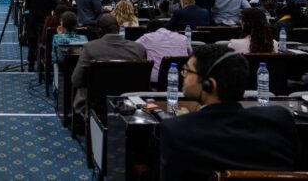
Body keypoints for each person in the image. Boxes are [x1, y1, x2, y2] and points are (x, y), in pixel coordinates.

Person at [160, 45, 301, 181]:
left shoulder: (176, 130)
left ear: (209, 84)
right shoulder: (279, 119)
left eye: (187, 70)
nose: (183, 75)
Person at [71, 14, 146, 114]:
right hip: (131, 102)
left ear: (99, 31)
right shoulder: (139, 49)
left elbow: (76, 80)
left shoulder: (89, 48)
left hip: (97, 104)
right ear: (119, 29)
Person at [24, 0, 57, 72]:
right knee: (46, 43)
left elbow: (27, 7)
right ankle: (45, 64)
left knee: (32, 43)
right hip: (45, 22)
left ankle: (31, 65)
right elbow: (54, 7)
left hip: (33, 21)